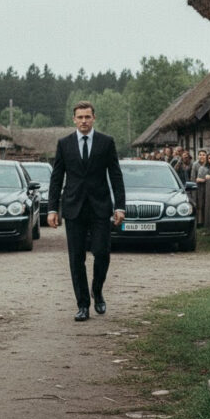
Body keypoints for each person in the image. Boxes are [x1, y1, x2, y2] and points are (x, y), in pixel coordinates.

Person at [47, 101, 125, 322]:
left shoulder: (106, 143)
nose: (83, 121)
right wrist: (53, 208)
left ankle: (97, 290)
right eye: (80, 117)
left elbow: (116, 175)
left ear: (94, 118)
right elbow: (56, 177)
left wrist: (120, 206)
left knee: (101, 253)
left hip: (100, 207)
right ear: (74, 119)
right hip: (73, 208)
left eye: (87, 117)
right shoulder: (64, 144)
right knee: (76, 258)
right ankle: (82, 304)